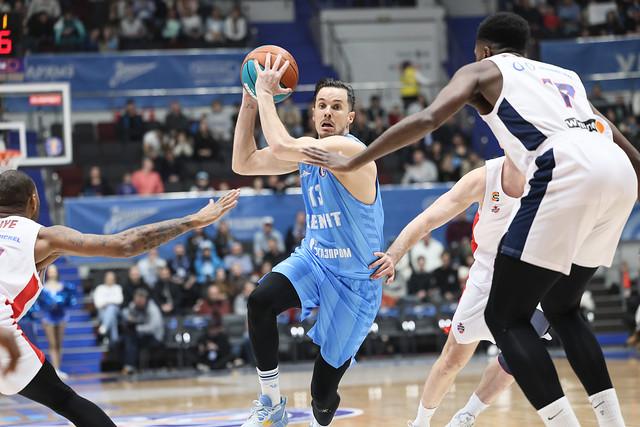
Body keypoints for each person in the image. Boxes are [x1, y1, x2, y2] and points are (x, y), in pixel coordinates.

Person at [304, 12, 640, 427]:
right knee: (562, 307)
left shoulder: (484, 69)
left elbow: (427, 120)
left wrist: (360, 156)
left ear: (483, 50)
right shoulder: (564, 75)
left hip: (566, 165)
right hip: (618, 170)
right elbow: (618, 140)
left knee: (505, 319)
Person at [0, 169, 238, 426]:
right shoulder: (43, 236)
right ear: (34, 201)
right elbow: (125, 244)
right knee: (65, 401)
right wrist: (194, 220)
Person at [232, 57, 384, 427]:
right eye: (321, 106)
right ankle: (271, 402)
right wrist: (250, 101)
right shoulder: (304, 153)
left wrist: (266, 94)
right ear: (313, 114)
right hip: (315, 262)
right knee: (260, 301)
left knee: (321, 396)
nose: (328, 113)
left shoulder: (350, 151)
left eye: (337, 107)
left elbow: (282, 146)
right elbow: (244, 163)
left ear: (351, 118)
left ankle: (321, 416)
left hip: (356, 281)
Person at [371, 156, 546, 426]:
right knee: (453, 359)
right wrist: (395, 254)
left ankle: (466, 416)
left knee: (520, 356)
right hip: (489, 273)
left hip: (534, 276)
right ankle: (421, 421)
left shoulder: (553, 174)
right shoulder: (485, 178)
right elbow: (429, 219)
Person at [39, 264, 76, 379]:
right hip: (48, 317)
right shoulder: (44, 287)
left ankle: (58, 368)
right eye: (50, 271)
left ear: (57, 272)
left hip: (61, 316)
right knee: (53, 343)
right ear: (48, 273)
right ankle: (55, 369)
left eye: (54, 270)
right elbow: (41, 303)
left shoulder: (63, 286)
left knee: (59, 343)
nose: (52, 273)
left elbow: (69, 301)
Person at [120, 288, 163, 374]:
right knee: (126, 338)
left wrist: (137, 328)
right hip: (140, 334)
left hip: (155, 336)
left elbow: (153, 327)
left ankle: (129, 366)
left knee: (131, 339)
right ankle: (130, 366)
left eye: (140, 300)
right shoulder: (133, 305)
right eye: (136, 299)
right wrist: (129, 320)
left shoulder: (152, 309)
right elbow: (125, 313)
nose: (137, 302)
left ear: (145, 299)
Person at [93, 271, 123, 345]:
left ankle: (104, 329)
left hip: (117, 311)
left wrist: (106, 303)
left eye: (111, 278)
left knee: (111, 308)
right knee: (112, 317)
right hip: (102, 312)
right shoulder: (99, 288)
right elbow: (97, 304)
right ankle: (114, 339)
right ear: (105, 279)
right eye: (108, 278)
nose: (110, 280)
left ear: (114, 279)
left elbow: (119, 301)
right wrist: (110, 302)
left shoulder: (117, 288)